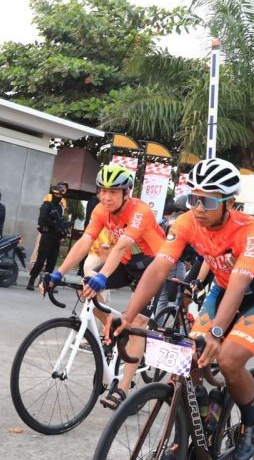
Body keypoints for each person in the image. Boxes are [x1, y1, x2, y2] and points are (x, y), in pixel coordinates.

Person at [111, 158, 254, 460]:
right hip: (220, 291)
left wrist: (217, 331)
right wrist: (127, 316)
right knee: (188, 356)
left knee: (228, 360)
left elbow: (241, 282)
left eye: (208, 200)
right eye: (193, 198)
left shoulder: (252, 230)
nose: (198, 207)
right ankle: (202, 420)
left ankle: (251, 422)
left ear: (229, 201)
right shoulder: (186, 222)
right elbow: (159, 268)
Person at [43, 163, 165, 408]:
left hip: (153, 265)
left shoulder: (140, 211)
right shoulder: (100, 210)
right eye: (102, 191)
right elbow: (85, 241)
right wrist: (58, 272)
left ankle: (122, 389)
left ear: (126, 193)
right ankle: (110, 323)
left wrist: (103, 275)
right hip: (127, 263)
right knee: (87, 288)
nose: (106, 196)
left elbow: (121, 246)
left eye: (113, 191)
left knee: (138, 322)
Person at [27, 184, 68, 290]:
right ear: (53, 193)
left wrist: (63, 233)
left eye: (60, 194)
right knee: (41, 260)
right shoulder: (46, 205)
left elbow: (61, 222)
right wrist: (54, 225)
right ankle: (31, 281)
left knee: (52, 262)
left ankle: (46, 284)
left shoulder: (60, 208)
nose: (58, 196)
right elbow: (42, 220)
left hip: (56, 237)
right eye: (56, 194)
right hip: (47, 235)